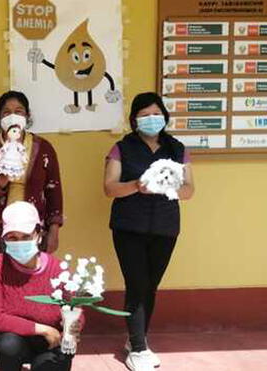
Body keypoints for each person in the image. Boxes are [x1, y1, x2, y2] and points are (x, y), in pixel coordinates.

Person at [104, 92, 195, 371]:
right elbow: (109, 187)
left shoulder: (177, 149)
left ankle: (137, 339)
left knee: (150, 286)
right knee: (137, 283)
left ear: (165, 117)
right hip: (128, 226)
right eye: (144, 115)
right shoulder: (122, 148)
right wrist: (137, 186)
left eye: (156, 114)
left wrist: (169, 188)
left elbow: (189, 189)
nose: (150, 119)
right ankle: (139, 350)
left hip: (165, 227)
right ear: (134, 120)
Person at [0, 90, 64, 370]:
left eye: (20, 111)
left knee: (30, 283)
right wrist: (3, 176)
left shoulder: (43, 148)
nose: (13, 116)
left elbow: (54, 190)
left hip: (30, 230)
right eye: (6, 111)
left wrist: (53, 227)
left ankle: (33, 338)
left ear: (28, 117)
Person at [0, 201, 81, 371]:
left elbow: (74, 307)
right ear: (4, 239)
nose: (19, 242)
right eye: (12, 237)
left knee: (57, 360)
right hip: (17, 339)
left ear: (38, 235)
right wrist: (42, 329)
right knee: (7, 346)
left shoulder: (57, 268)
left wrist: (73, 327)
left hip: (52, 341)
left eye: (26, 236)